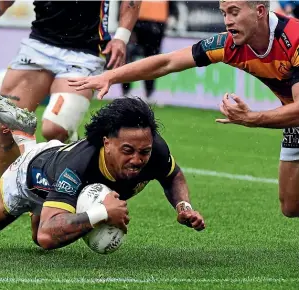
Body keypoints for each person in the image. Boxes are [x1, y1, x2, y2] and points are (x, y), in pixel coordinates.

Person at [68, 1, 299, 218]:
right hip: (293, 120)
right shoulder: (229, 45)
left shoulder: (294, 38)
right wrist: (110, 76)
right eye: (223, 13)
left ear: (259, 11)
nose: (227, 21)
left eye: (234, 12)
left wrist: (252, 118)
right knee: (291, 206)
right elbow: (167, 62)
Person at [0, 96, 205, 250]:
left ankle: (24, 137)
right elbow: (46, 235)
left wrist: (183, 206)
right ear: (106, 142)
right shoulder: (79, 166)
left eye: (143, 152)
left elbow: (173, 176)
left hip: (57, 169)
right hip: (31, 176)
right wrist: (102, 214)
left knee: (42, 235)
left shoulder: (153, 148)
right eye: (128, 151)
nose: (137, 160)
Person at [0, 0, 141, 177]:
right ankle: (9, 198)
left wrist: (122, 37)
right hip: (37, 47)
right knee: (7, 129)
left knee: (55, 129)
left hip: (84, 53)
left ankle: (72, 165)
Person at [121, 0, 169, 99]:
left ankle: (149, 94)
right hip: (136, 21)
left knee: (152, 60)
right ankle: (126, 92)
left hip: (157, 22)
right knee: (128, 55)